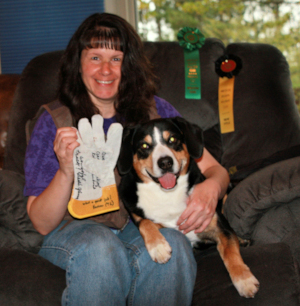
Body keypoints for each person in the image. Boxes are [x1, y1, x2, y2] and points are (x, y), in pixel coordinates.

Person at [24, 13, 229, 306]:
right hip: (76, 234)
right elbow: (41, 223)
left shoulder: (156, 111)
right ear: (77, 63)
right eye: (95, 57)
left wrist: (212, 189)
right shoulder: (54, 121)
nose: (106, 70)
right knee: (100, 246)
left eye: (116, 59)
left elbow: (215, 170)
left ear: (129, 65)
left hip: (141, 226)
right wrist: (66, 171)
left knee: (175, 244)